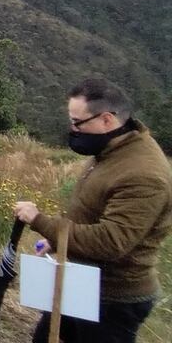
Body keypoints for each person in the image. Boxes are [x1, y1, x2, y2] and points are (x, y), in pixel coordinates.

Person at [13, 79, 172, 343]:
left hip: (111, 302)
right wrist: (57, 241)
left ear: (107, 120)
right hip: (81, 283)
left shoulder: (143, 174)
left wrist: (41, 222)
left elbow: (110, 241)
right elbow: (92, 212)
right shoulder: (111, 151)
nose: (73, 129)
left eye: (77, 122)